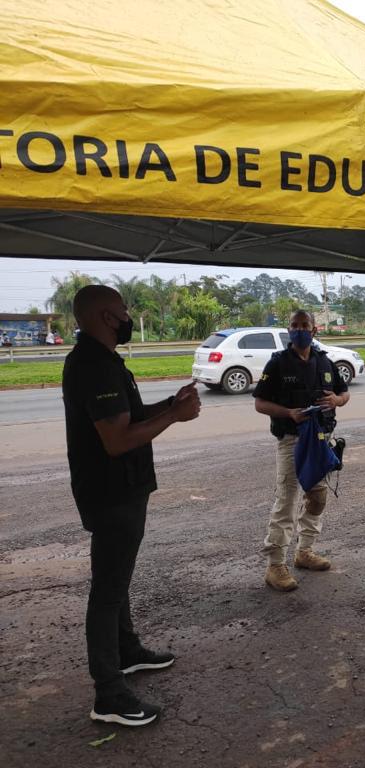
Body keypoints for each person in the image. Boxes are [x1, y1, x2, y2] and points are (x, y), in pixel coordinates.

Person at [62, 285, 202, 726]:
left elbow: (127, 417)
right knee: (107, 590)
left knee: (116, 577)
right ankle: (109, 694)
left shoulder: (101, 361)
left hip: (120, 489)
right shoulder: (93, 365)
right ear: (106, 316)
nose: (127, 317)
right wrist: (176, 417)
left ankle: (126, 652)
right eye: (124, 311)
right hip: (111, 492)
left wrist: (168, 405)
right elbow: (118, 440)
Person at [254, 309, 349, 592]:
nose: (299, 330)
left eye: (304, 325)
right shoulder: (278, 364)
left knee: (317, 497)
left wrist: (337, 400)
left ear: (314, 330)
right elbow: (260, 403)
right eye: (294, 326)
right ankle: (275, 566)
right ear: (288, 330)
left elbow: (344, 394)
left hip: (320, 439)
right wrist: (288, 413)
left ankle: (304, 551)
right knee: (287, 500)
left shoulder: (325, 362)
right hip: (291, 441)